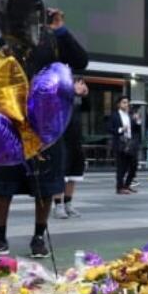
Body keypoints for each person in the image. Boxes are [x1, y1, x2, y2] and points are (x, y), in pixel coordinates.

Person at [0, 0, 87, 258]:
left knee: (46, 187)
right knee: (3, 185)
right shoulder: (0, 46)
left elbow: (81, 60)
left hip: (45, 129)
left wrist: (60, 29)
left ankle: (38, 236)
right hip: (9, 127)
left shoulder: (52, 40)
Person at [53, 78, 90, 218]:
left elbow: (87, 109)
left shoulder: (77, 98)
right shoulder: (61, 96)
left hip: (76, 140)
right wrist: (73, 93)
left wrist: (84, 95)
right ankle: (58, 205)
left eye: (82, 83)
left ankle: (68, 204)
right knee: (61, 175)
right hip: (62, 140)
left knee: (74, 175)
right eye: (78, 83)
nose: (81, 85)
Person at [110, 95, 138, 194]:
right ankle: (120, 188)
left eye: (127, 102)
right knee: (121, 167)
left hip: (130, 143)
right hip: (120, 143)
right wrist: (121, 129)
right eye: (124, 102)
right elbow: (110, 129)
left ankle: (127, 185)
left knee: (134, 165)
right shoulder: (115, 115)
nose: (126, 104)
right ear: (119, 104)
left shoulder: (130, 115)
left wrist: (138, 121)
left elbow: (136, 129)